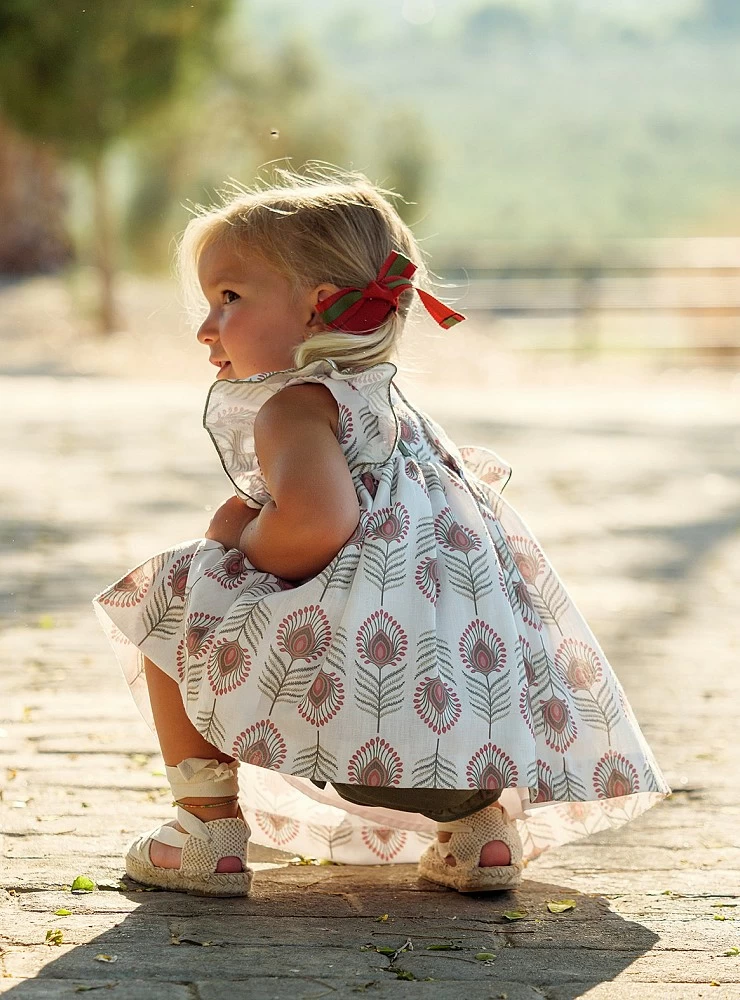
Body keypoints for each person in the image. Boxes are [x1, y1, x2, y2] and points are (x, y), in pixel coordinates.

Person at [93, 163, 670, 898]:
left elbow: (317, 523)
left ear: (321, 309)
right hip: (453, 690)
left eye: (229, 298)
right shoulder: (386, 403)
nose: (207, 326)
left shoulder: (296, 408)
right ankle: (481, 834)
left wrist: (236, 544)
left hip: (357, 681)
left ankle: (205, 832)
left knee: (170, 594)